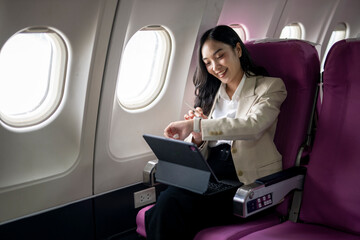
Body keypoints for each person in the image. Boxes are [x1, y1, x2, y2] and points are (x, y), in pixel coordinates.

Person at [145, 25, 287, 240]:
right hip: (211, 174)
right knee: (165, 204)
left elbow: (253, 125)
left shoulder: (269, 87)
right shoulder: (210, 95)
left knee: (169, 208)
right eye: (207, 63)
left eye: (220, 56)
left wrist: (197, 126)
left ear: (237, 50)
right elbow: (204, 144)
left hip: (246, 183)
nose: (214, 66)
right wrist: (198, 138)